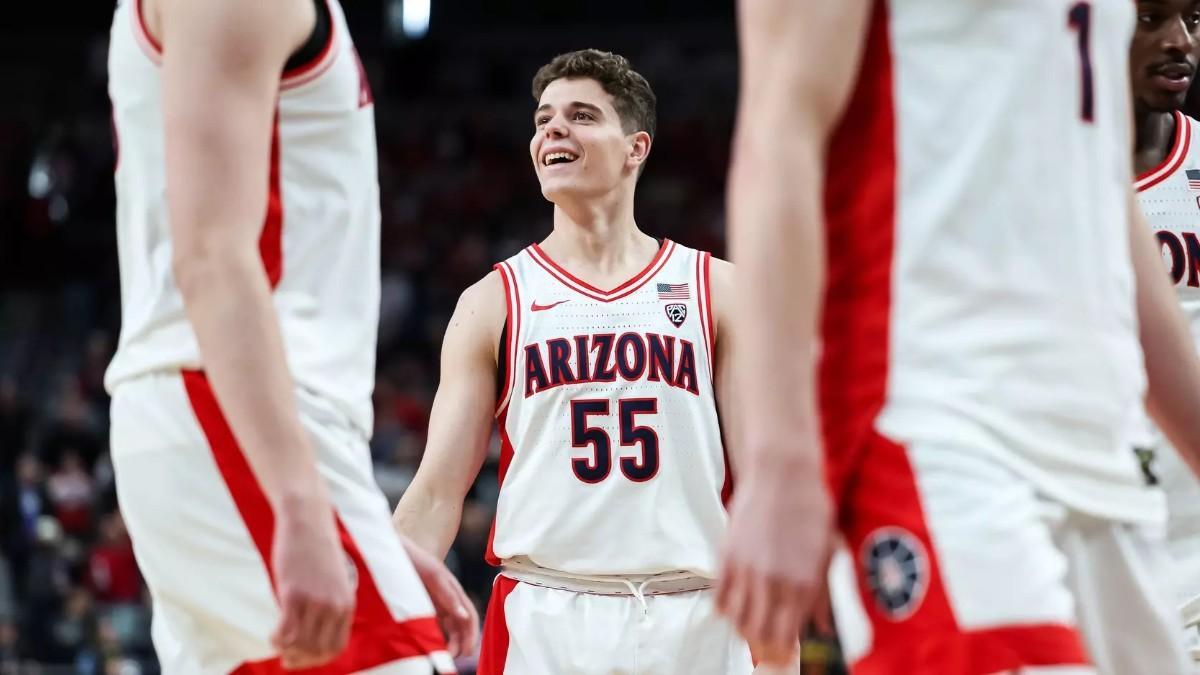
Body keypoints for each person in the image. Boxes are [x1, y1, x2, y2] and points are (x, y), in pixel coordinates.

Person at [718, 0, 1200, 673]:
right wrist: (778, 460)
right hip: (936, 428)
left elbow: (1102, 195)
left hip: (1104, 448)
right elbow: (779, 131)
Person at [105, 0, 477, 671]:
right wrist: (302, 504)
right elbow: (213, 257)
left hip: (229, 422)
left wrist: (344, 512)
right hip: (228, 415)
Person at [391, 49, 758, 674]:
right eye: (542, 120)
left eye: (581, 115)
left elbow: (759, 483)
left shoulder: (718, 289)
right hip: (545, 616)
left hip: (697, 616)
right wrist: (382, 616)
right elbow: (433, 495)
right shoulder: (491, 301)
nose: (552, 130)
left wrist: (779, 657)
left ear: (635, 147)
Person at [1130, 0, 1200, 665]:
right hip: (1072, 539)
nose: (1180, 41)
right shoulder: (1025, 177)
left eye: (1194, 19)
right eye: (1152, 16)